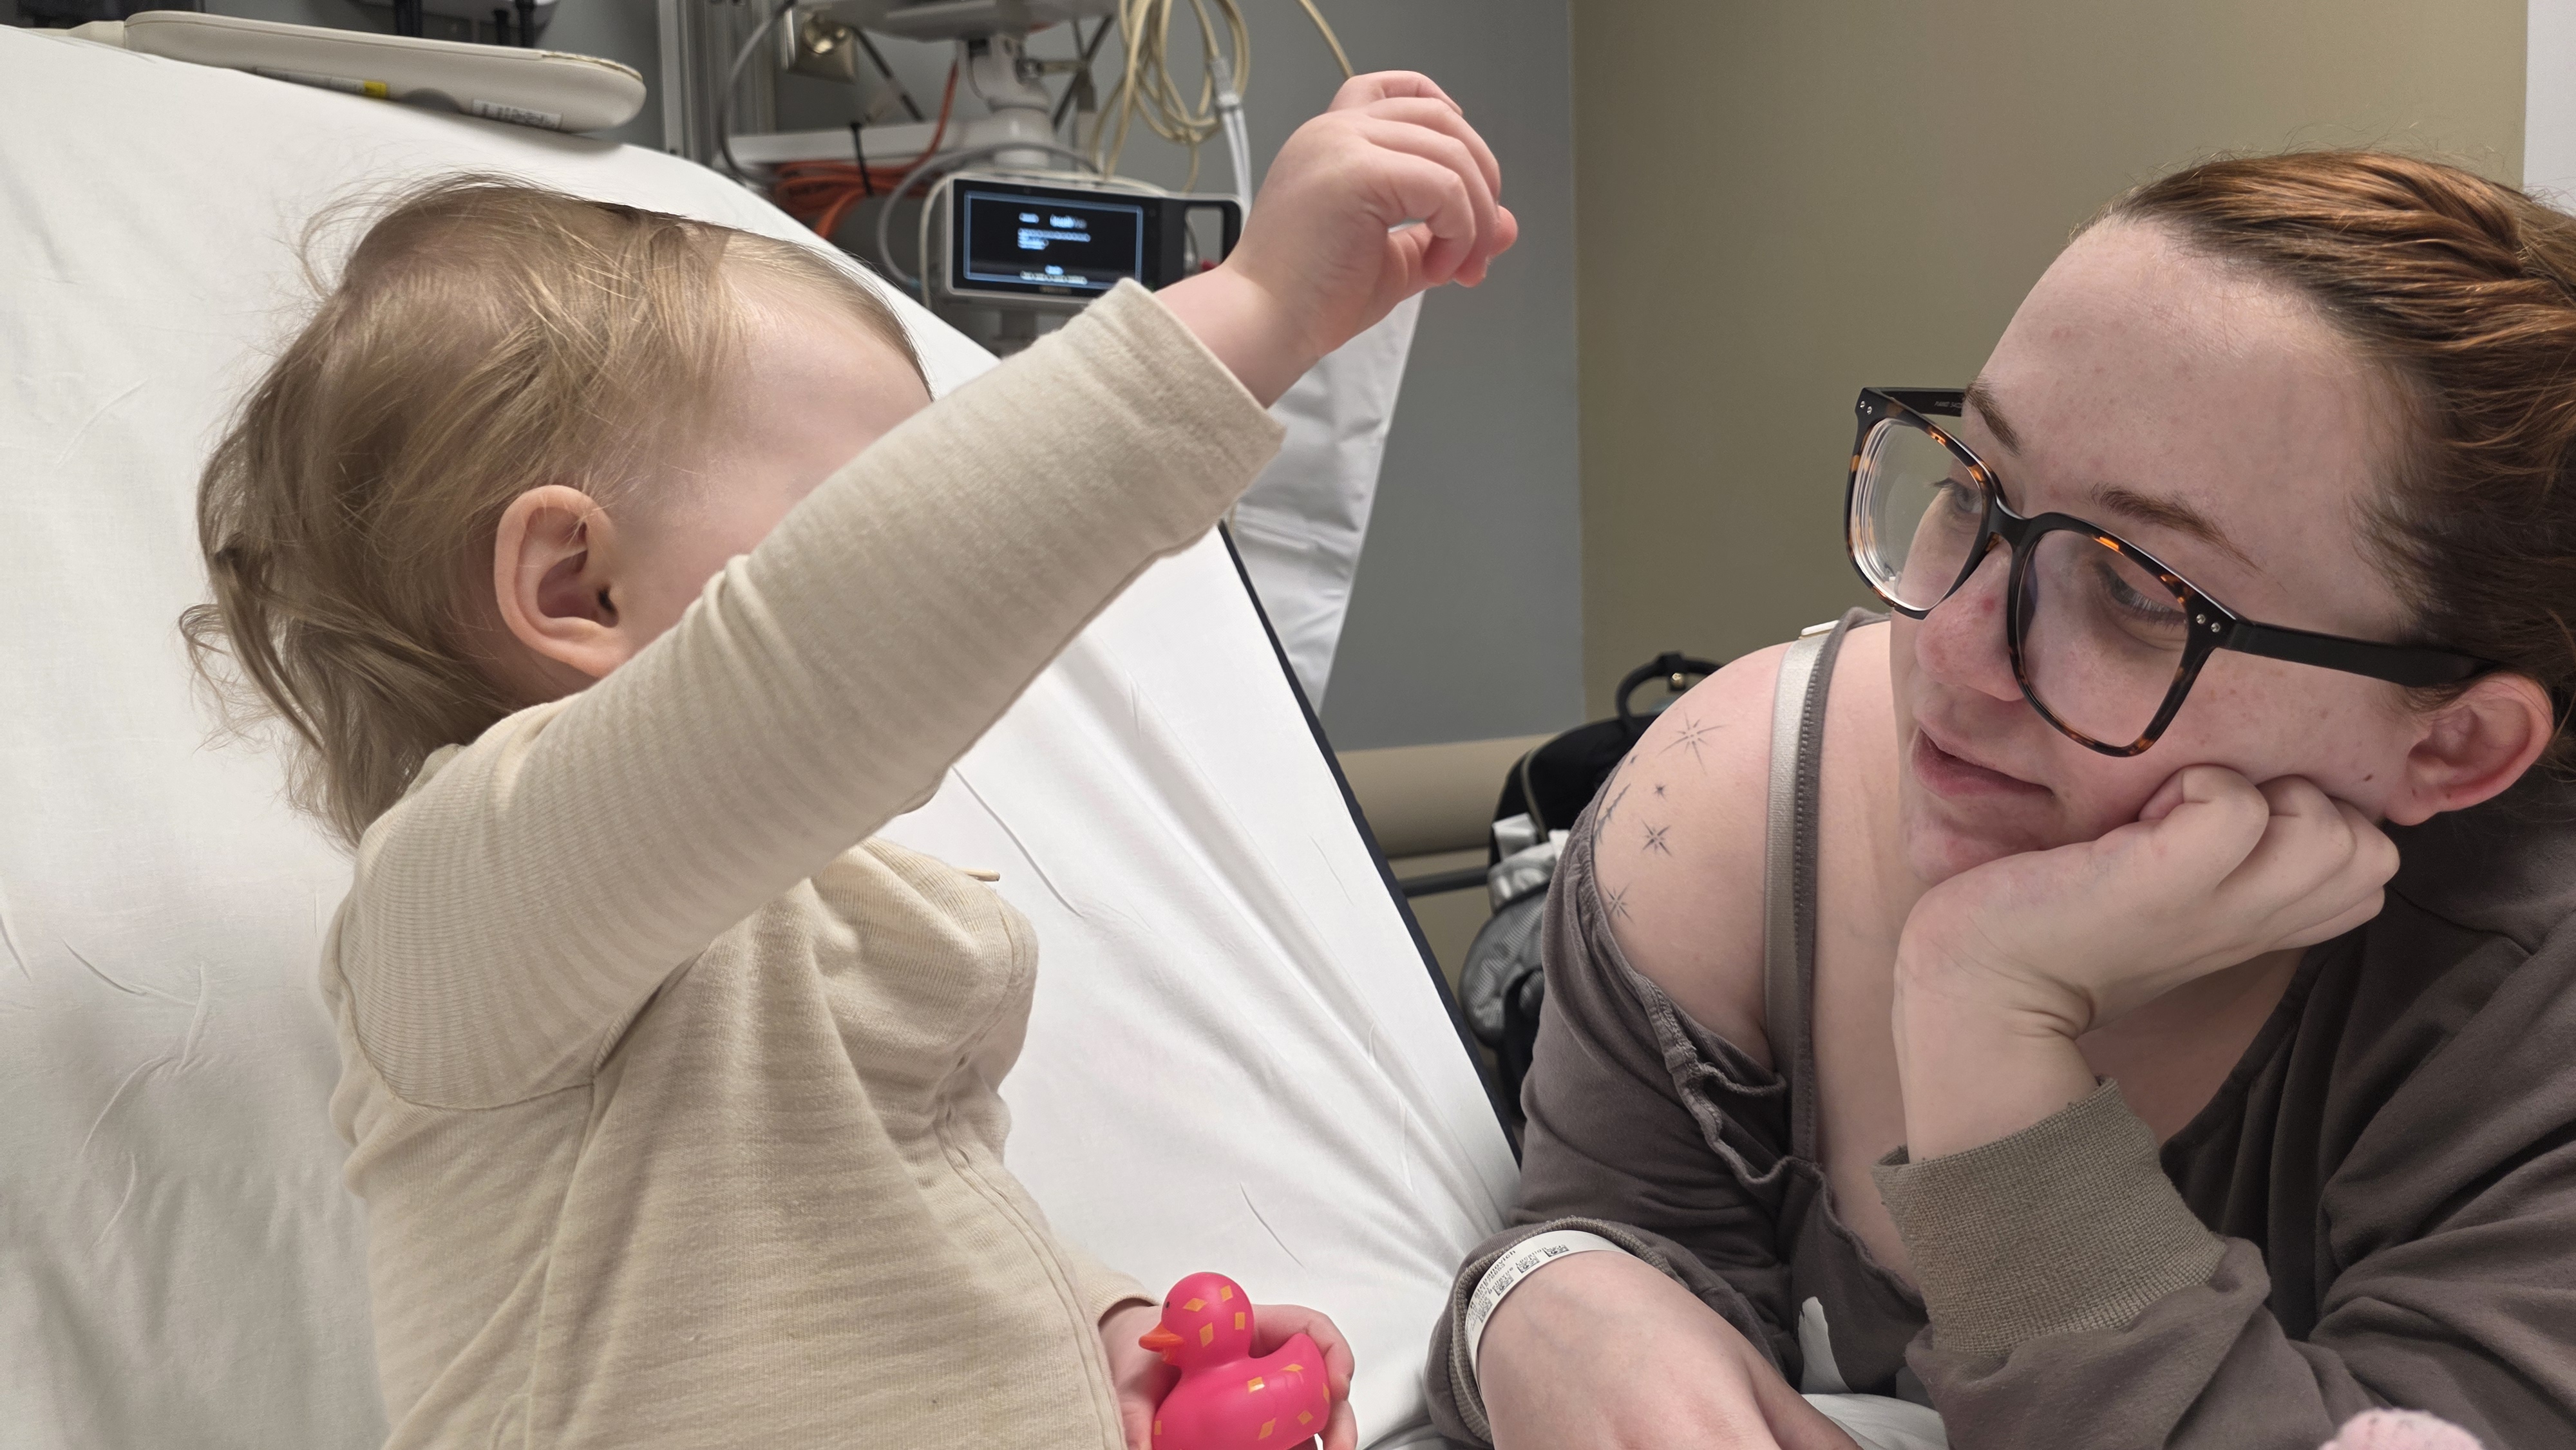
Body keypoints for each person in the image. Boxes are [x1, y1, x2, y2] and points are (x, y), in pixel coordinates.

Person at [180, 72, 1514, 1450]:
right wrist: (1249, 310)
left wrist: (1108, 1334)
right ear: (577, 582)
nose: (914, 537)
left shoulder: (828, 923)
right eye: (859, 504)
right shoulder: (462, 914)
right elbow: (826, 648)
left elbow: (914, 1210)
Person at [1430, 151, 2576, 1450]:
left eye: (2137, 591)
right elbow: (1608, 1241)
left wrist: (1985, 1016)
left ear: (2454, 745)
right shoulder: (1725, 815)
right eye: (1969, 486)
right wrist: (1533, 1300)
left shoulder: (2525, 1025)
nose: (1951, 645)